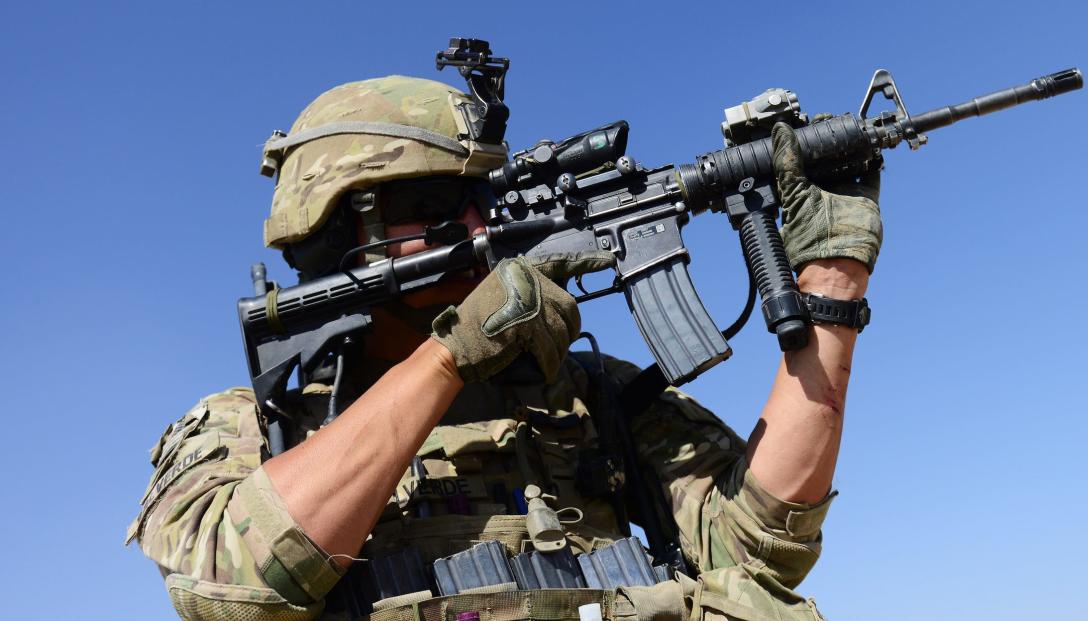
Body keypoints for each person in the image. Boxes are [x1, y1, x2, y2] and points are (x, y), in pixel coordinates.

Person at [128, 72, 882, 621]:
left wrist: (831, 287)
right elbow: (235, 587)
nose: (481, 229)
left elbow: (760, 550)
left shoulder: (589, 396)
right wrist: (451, 356)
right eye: (436, 208)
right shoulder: (258, 429)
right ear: (344, 232)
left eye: (482, 202)